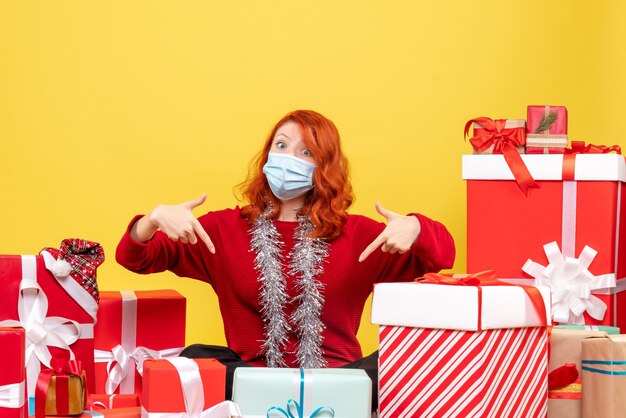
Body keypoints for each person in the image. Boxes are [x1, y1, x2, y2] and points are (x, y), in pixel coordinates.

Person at [115, 109, 455, 410]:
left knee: (404, 361)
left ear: (325, 167)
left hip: (339, 382)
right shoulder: (222, 230)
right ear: (266, 156)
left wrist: (416, 227)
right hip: (250, 382)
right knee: (195, 358)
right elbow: (136, 258)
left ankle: (321, 400)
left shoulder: (361, 235)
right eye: (281, 145)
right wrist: (154, 220)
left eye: (306, 152)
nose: (288, 157)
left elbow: (442, 256)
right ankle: (279, 398)